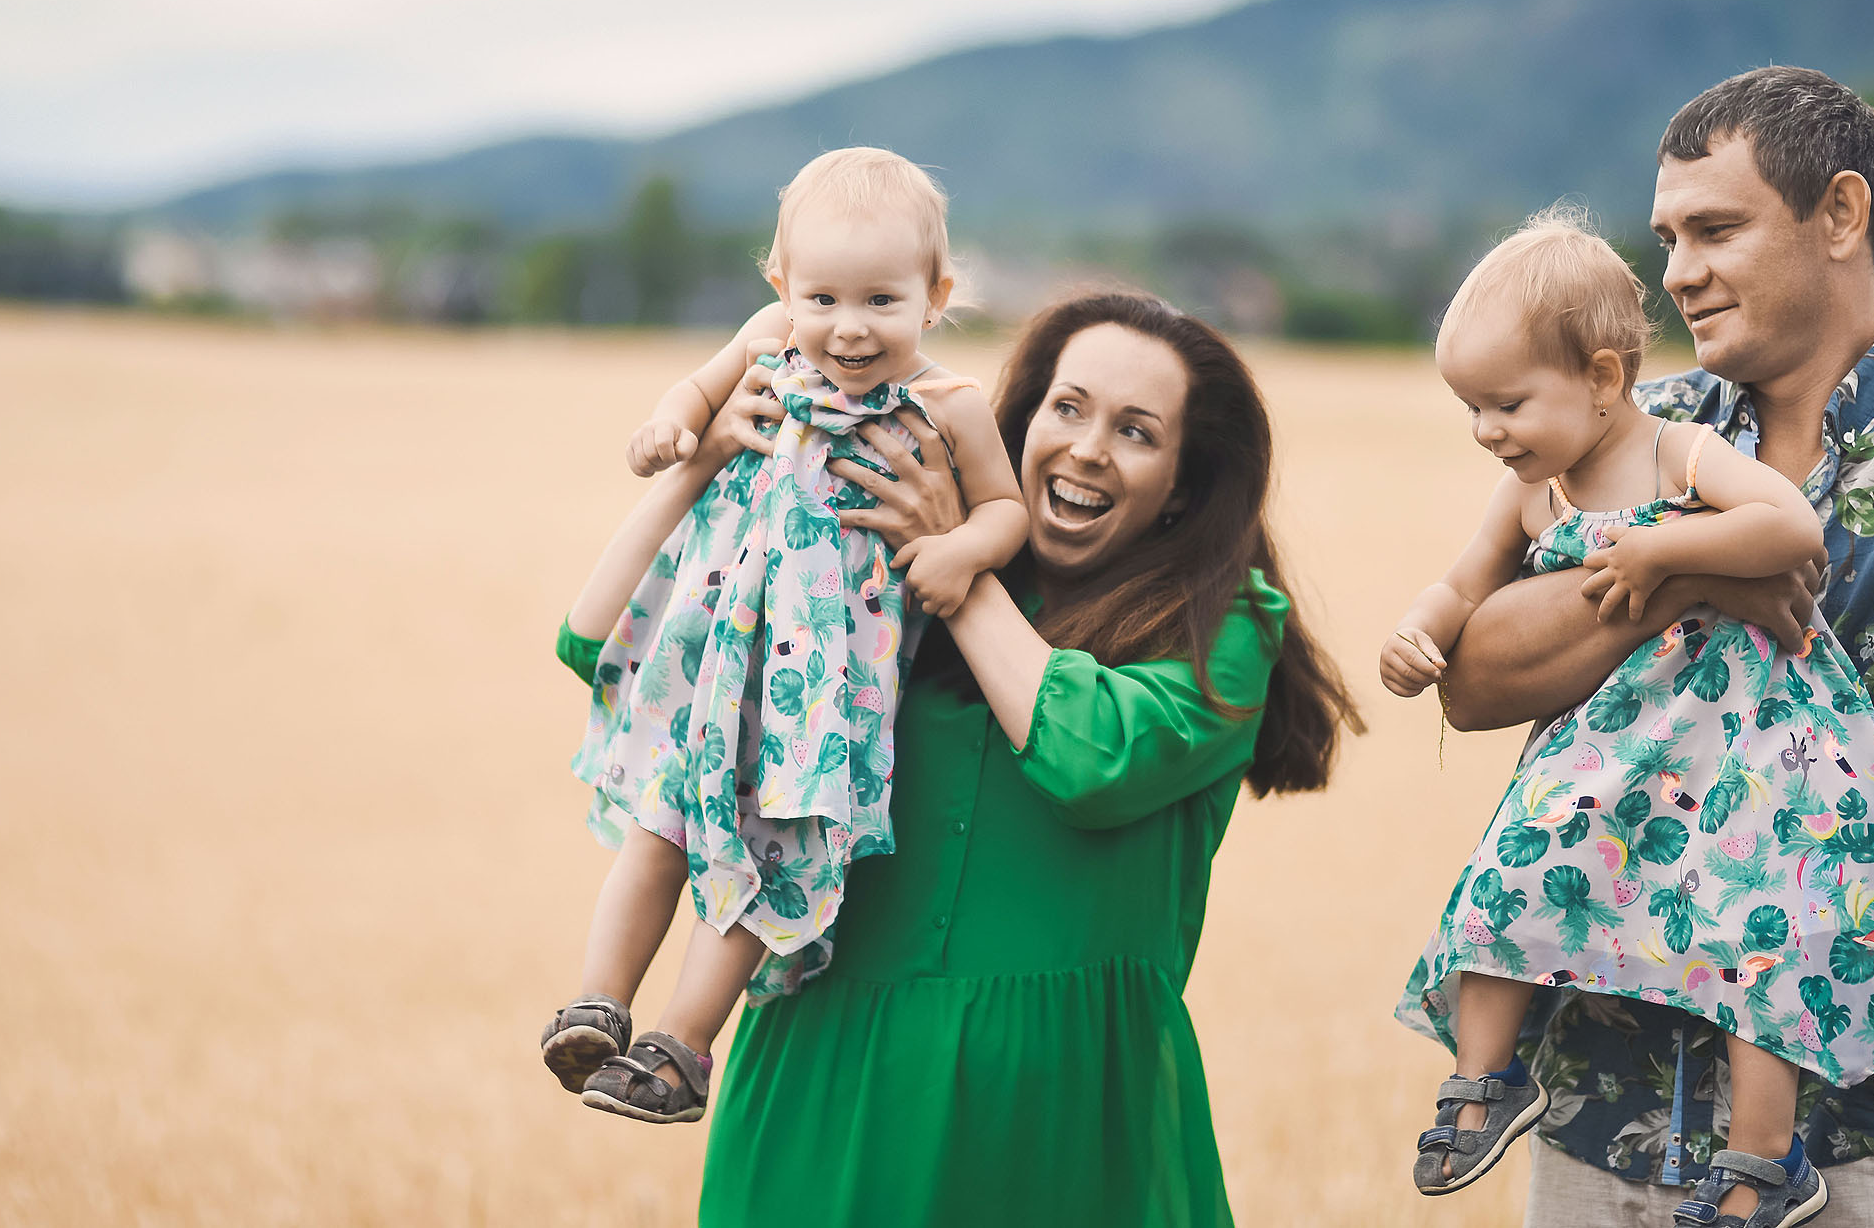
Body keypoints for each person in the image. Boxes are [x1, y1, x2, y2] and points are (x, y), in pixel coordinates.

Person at [1437, 67, 1874, 1226]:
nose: (1676, 271)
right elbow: (1475, 677)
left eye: (1715, 228)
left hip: (1861, 1122)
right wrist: (1684, 576)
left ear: (1840, 214)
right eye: (1666, 238)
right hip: (1601, 1102)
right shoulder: (1634, 428)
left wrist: (1706, 850)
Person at [554, 288, 1362, 1224]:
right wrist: (702, 463)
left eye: (1137, 431)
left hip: (1062, 1129)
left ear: (1184, 484)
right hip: (819, 1097)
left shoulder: (1224, 623)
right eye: (1068, 407)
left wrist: (959, 567)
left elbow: (1093, 762)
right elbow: (601, 643)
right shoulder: (867, 564)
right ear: (1023, 423)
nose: (1088, 448)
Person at [1382, 209, 1874, 1228]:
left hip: (1746, 736)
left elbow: (1789, 523)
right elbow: (1460, 589)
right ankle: (1486, 1078)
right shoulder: (1530, 492)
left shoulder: (1677, 451)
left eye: (1507, 403)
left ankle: (1764, 1159)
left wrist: (1665, 550)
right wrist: (1415, 633)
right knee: (1509, 867)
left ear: (1601, 377)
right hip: (1612, 747)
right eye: (1472, 408)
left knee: (1759, 921)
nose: (1487, 431)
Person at [543, 147, 1030, 1124]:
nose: (849, 326)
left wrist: (963, 550)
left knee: (769, 853)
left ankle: (682, 1046)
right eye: (824, 297)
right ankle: (597, 1002)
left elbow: (1004, 508)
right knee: (659, 827)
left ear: (935, 296)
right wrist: (668, 427)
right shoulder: (767, 343)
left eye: (882, 300)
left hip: (824, 691)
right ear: (781, 287)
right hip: (714, 656)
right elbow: (694, 393)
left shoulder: (952, 406)